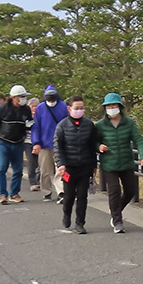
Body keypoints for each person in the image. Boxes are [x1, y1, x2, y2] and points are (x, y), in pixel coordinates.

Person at [96, 92, 143, 233]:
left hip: (126, 162)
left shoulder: (129, 123)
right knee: (114, 190)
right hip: (109, 164)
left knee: (130, 191)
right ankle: (117, 221)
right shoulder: (100, 125)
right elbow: (93, 141)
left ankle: (115, 210)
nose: (111, 108)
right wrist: (99, 147)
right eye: (108, 106)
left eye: (114, 105)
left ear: (120, 106)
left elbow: (139, 140)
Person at [53, 95, 101, 234]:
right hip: (69, 167)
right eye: (76, 108)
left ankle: (80, 222)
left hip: (85, 166)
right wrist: (61, 164)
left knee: (82, 196)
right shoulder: (62, 125)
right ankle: (66, 214)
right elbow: (58, 146)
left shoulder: (89, 125)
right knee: (69, 196)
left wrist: (94, 165)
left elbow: (92, 145)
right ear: (69, 109)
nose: (79, 110)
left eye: (82, 108)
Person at [0, 85, 33, 205]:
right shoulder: (2, 108)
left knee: (18, 170)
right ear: (14, 98)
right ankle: (3, 194)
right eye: (21, 97)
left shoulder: (26, 109)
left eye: (24, 97)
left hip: (18, 142)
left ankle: (14, 193)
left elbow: (29, 123)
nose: (23, 99)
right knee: (1, 168)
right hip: (3, 141)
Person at [32, 85, 69, 202]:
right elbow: (36, 126)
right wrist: (36, 142)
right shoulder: (41, 108)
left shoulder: (63, 106)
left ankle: (61, 191)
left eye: (53, 100)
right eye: (49, 100)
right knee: (45, 170)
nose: (51, 102)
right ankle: (46, 191)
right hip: (44, 143)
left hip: (61, 143)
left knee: (61, 169)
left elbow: (68, 124)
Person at [26, 97, 41, 191]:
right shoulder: (25, 116)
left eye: (36, 106)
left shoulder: (42, 116)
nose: (35, 108)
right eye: (32, 106)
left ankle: (38, 179)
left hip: (41, 142)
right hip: (28, 142)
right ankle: (33, 182)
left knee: (41, 163)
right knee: (32, 162)